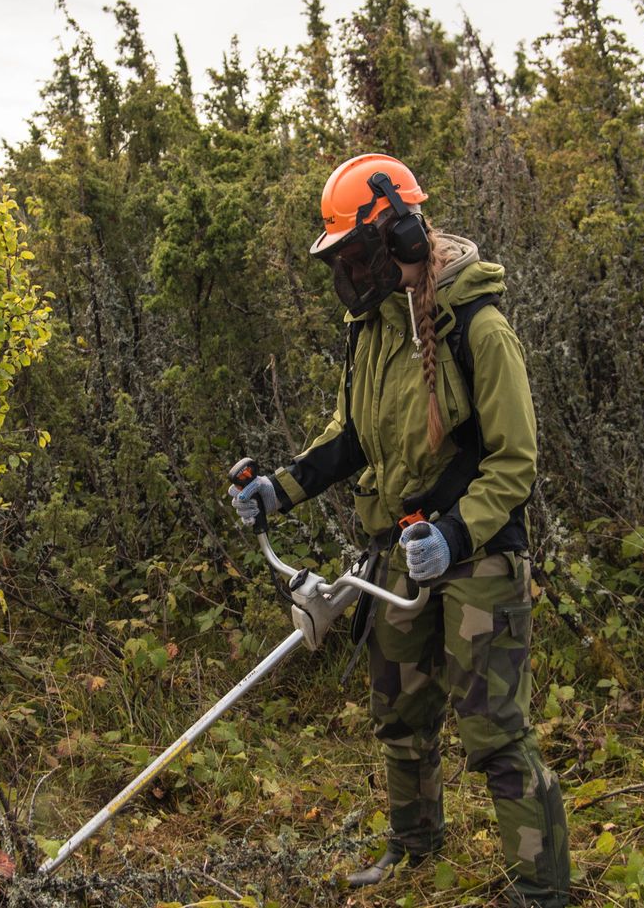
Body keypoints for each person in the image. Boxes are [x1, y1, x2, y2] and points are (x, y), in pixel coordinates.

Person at [228, 154, 572, 906]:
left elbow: (517, 460)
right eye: (340, 258)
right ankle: (414, 848)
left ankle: (542, 889)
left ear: (403, 235)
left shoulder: (478, 324)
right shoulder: (372, 328)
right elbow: (350, 434)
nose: (348, 271)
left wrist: (455, 532)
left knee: (493, 727)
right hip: (397, 552)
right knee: (400, 710)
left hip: (477, 554)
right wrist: (276, 490)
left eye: (356, 252)